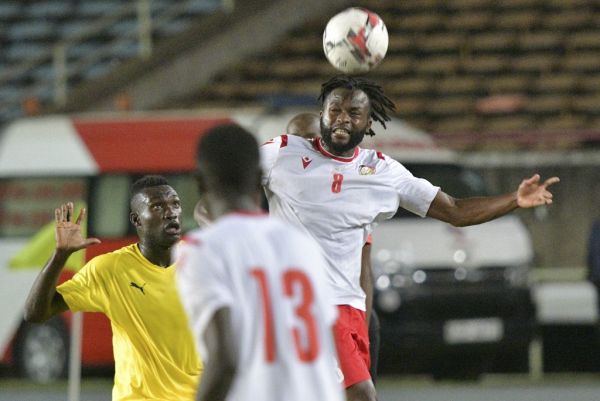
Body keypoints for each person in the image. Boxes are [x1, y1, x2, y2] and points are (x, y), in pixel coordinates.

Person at [261, 75, 560, 401]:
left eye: (354, 112)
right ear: (323, 113)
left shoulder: (382, 172)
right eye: (335, 109)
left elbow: (456, 210)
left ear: (368, 122)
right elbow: (227, 179)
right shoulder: (283, 153)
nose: (343, 118)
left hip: (347, 311)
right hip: (296, 305)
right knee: (359, 394)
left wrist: (514, 200)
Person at [176, 124, 344, 401]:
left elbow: (225, 361)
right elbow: (325, 343)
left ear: (200, 182)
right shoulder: (303, 246)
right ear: (258, 177)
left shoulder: (202, 249)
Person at [24, 175, 201, 401]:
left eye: (175, 204)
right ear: (136, 220)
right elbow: (35, 313)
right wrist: (59, 256)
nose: (171, 212)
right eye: (157, 206)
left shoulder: (202, 261)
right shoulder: (110, 269)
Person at [286, 111, 381, 383]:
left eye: (309, 139)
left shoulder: (350, 194)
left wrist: (358, 335)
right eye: (294, 140)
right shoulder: (271, 187)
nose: (301, 148)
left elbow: (364, 269)